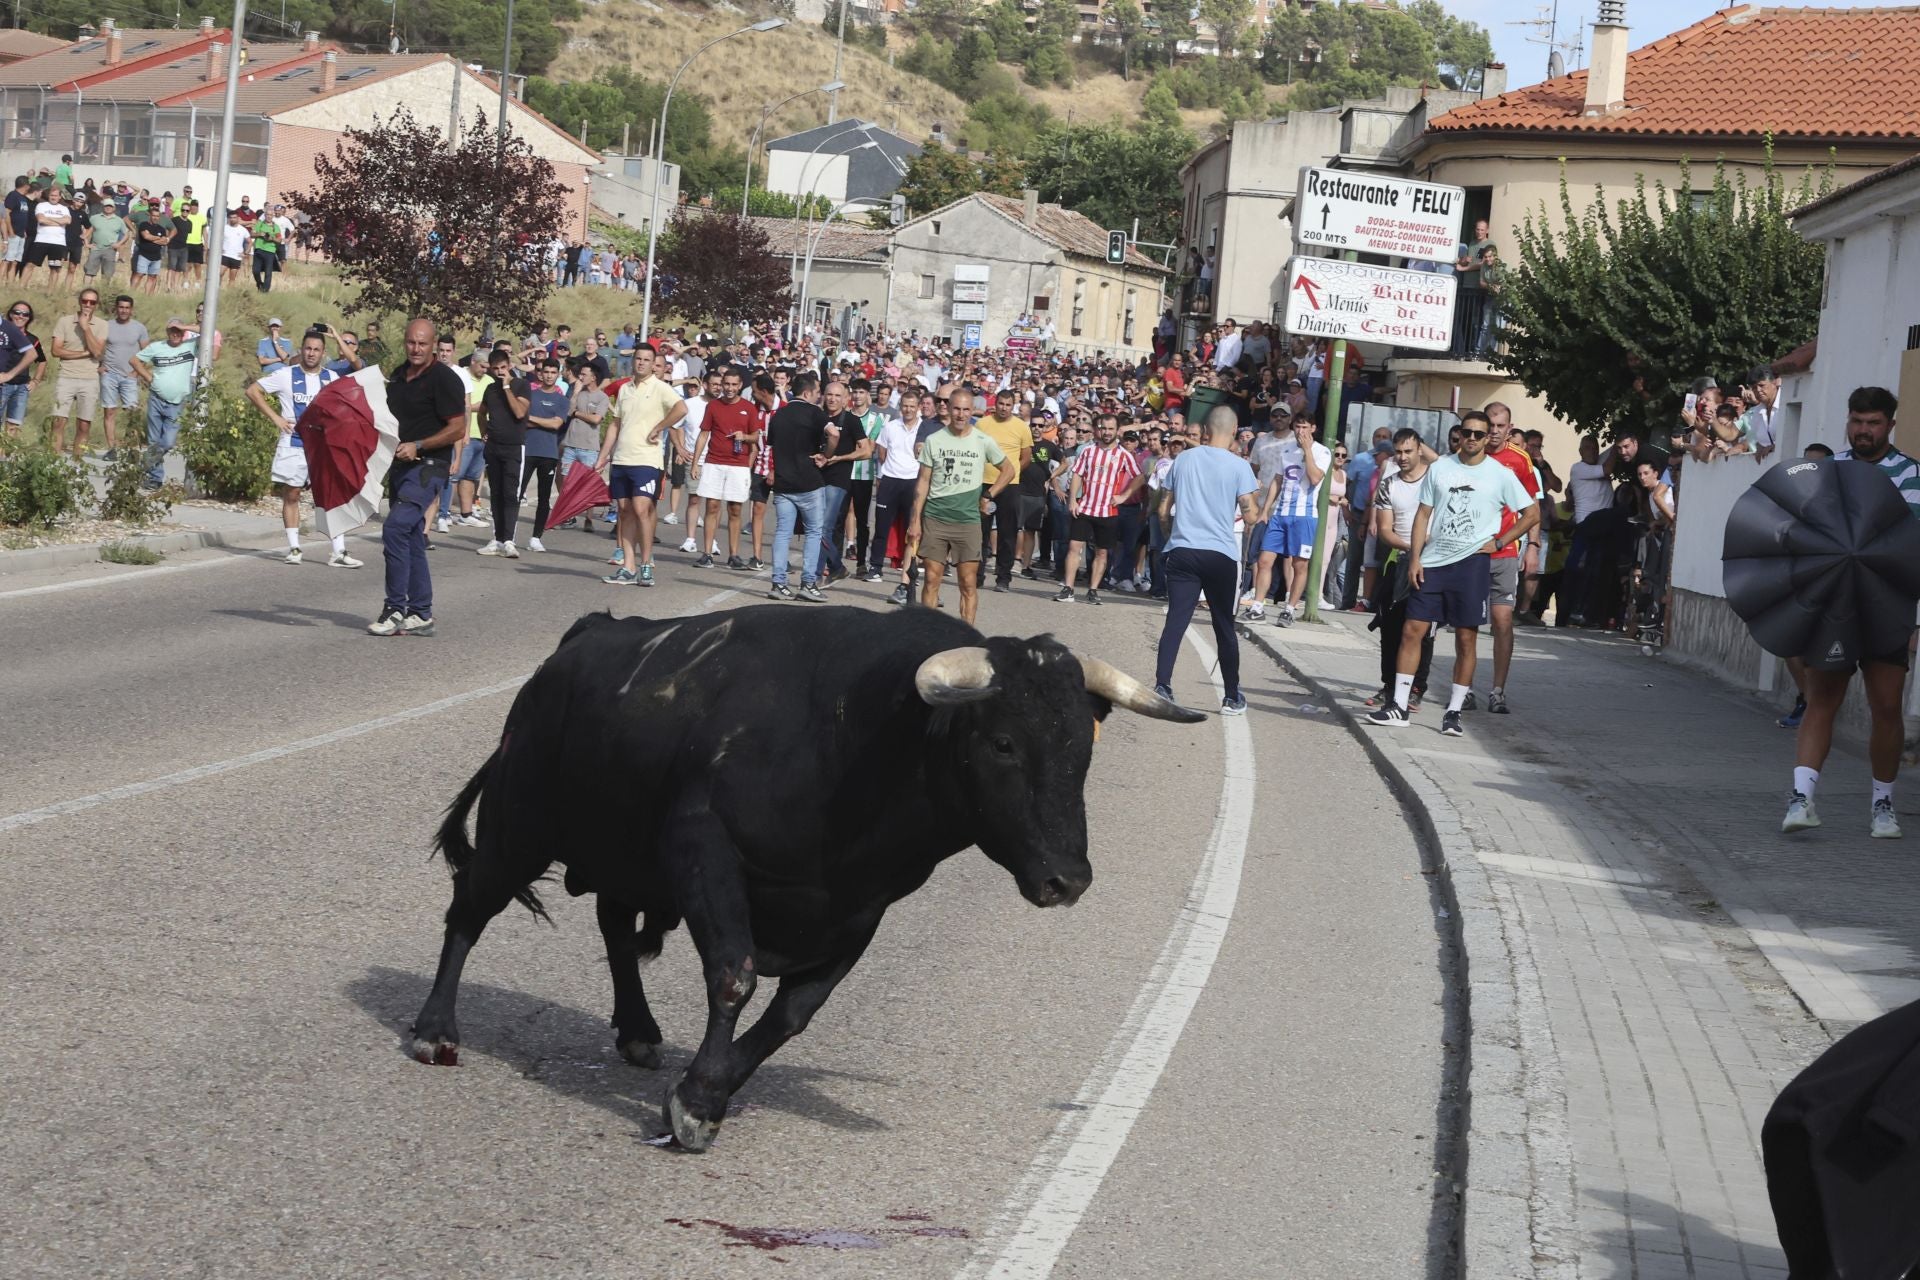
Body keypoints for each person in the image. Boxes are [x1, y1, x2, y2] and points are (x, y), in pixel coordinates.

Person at [1783, 387, 1917, 839]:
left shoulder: (1912, 475)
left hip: (1888, 608)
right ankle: (1801, 799)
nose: (1864, 430)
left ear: (1890, 425)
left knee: (1886, 706)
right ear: (1848, 421)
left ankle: (1883, 805)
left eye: (1873, 423)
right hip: (1834, 608)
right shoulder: (1827, 471)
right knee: (1822, 700)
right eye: (1857, 421)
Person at [1365, 409, 1539, 737]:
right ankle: (1399, 706)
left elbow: (1531, 513)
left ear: (1487, 438)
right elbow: (1423, 515)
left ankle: (1454, 712)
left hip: (1472, 564)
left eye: (1478, 434)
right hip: (1433, 561)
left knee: (1465, 637)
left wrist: (1500, 541)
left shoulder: (1499, 474)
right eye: (1466, 432)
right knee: (1412, 629)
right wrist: (1415, 558)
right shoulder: (1441, 467)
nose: (1471, 438)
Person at [1153, 405, 1259, 714]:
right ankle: (1231, 697)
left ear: (1207, 431)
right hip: (1220, 553)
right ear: (1235, 430)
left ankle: (1163, 685)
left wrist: (1171, 536)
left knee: (1176, 620)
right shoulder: (1240, 466)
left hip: (1183, 549)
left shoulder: (1183, 459)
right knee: (1224, 625)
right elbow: (1250, 515)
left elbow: (1163, 510)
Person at [369, 320, 465, 636]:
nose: (416, 349)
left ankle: (395, 608)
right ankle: (421, 613)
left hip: (429, 466)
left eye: (423, 343)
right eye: (411, 342)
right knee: (410, 535)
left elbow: (458, 428)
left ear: (433, 344)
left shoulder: (444, 379)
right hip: (400, 465)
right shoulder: (399, 376)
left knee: (395, 528)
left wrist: (419, 445)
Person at [246, 327, 363, 567]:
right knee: (292, 494)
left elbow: (359, 372)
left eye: (316, 350)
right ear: (301, 350)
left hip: (323, 447)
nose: (311, 353)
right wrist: (276, 418)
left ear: (323, 353)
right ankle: (294, 548)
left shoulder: (331, 378)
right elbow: (253, 391)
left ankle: (339, 551)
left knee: (331, 497)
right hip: (294, 444)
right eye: (308, 348)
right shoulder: (285, 375)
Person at [907, 386, 1014, 625]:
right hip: (935, 517)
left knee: (967, 583)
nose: (961, 414)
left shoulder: (982, 440)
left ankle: (966, 636)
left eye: (966, 410)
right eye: (956, 408)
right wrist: (915, 522)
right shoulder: (934, 440)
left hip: (968, 521)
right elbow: (923, 482)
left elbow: (1008, 470)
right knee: (931, 579)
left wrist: (988, 495)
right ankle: (928, 634)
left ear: (972, 410)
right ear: (948, 408)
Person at [596, 342, 684, 587]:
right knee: (624, 511)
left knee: (641, 509)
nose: (642, 363)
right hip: (622, 458)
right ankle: (628, 567)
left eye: (647, 359)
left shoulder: (660, 388)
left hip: (647, 460)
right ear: (633, 361)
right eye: (638, 358)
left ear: (653, 364)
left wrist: (659, 427)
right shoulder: (624, 389)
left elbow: (681, 409)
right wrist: (603, 455)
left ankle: (646, 564)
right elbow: (615, 424)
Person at [1364, 429, 1438, 713]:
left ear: (1420, 450)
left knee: (1423, 629)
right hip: (1400, 559)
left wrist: (1422, 550)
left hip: (1432, 562)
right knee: (1391, 627)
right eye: (1398, 452)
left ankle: (1416, 688)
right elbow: (1385, 530)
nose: (1403, 457)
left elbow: (1440, 461)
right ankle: (1389, 686)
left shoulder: (1436, 478)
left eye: (1409, 451)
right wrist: (1411, 547)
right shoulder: (1389, 484)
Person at [1481, 403, 1544, 714]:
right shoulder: (1471, 452)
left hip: (1505, 551)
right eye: (1490, 425)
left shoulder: (1520, 459)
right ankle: (1462, 688)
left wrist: (1532, 545)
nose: (1494, 432)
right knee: (1466, 623)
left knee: (1503, 621)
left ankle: (1497, 691)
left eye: (1500, 426)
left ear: (1509, 427)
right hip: (1470, 552)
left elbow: (1532, 505)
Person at [1247, 414, 1331, 626]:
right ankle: (1257, 606)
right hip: (1281, 513)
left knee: (1299, 565)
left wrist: (1307, 451)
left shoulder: (1322, 451)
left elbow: (1315, 478)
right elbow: (1278, 480)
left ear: (1313, 428)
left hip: (1304, 516)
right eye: (1297, 427)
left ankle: (1290, 609)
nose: (1300, 431)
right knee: (1264, 560)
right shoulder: (1286, 450)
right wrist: (1266, 510)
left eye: (1304, 427)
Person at [1055, 412, 1144, 606]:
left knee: (1102, 553)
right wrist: (1073, 500)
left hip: (1107, 511)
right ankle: (1068, 588)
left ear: (1117, 431)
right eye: (1104, 428)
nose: (1107, 432)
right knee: (1074, 547)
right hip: (1085, 507)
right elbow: (1077, 474)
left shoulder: (1123, 455)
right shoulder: (1088, 451)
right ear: (1098, 429)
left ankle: (1093, 590)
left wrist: (1123, 496)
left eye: (1111, 429)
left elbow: (1139, 476)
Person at [762, 370, 835, 602]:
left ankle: (778, 583)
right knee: (813, 532)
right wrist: (826, 455)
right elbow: (833, 433)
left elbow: (771, 444)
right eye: (817, 392)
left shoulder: (779, 415)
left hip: (784, 482)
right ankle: (808, 583)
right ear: (807, 393)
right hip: (809, 481)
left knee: (783, 532)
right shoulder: (814, 412)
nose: (819, 396)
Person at [688, 365, 756, 569]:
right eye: (726, 384)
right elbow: (703, 434)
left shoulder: (749, 407)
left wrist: (744, 437)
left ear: (740, 385)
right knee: (712, 506)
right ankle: (707, 553)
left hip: (738, 465)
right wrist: (695, 463)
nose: (729, 388)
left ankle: (733, 555)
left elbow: (756, 436)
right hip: (714, 462)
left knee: (735, 509)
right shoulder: (713, 406)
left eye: (734, 384)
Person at [869, 389, 925, 601]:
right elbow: (882, 453)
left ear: (918, 407)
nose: (908, 410)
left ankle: (910, 570)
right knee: (882, 527)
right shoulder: (890, 426)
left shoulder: (924, 428)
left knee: (912, 530)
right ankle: (875, 567)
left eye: (912, 406)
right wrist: (886, 475)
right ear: (900, 406)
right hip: (890, 480)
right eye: (905, 406)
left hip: (913, 482)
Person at [475, 348, 531, 559]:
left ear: (509, 366)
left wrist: (507, 387)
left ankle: (508, 540)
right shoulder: (490, 389)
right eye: (496, 368)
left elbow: (519, 412)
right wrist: (484, 432)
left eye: (503, 368)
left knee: (510, 493)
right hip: (493, 446)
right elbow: (481, 413)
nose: (500, 372)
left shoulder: (521, 385)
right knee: (496, 493)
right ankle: (497, 539)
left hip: (514, 446)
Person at [130, 317, 197, 491]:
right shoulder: (157, 347)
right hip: (156, 399)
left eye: (178, 331)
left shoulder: (190, 345)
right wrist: (148, 377)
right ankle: (155, 478)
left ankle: (145, 463)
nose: (175, 334)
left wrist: (183, 326)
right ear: (167, 332)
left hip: (177, 402)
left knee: (168, 442)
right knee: (154, 440)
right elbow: (134, 360)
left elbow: (209, 332)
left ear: (183, 333)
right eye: (172, 330)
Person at [976, 392, 1034, 591]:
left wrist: (1011, 472)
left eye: (1008, 405)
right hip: (984, 482)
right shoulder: (982, 424)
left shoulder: (1021, 427)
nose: (1004, 408)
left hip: (1010, 486)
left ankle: (1003, 577)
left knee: (1007, 533)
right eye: (1001, 404)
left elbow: (1026, 457)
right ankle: (977, 575)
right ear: (996, 403)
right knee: (980, 532)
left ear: (1013, 406)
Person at [45, 288, 106, 456]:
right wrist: (84, 353)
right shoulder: (64, 321)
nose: (88, 304)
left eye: (92, 302)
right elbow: (56, 351)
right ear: (79, 301)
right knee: (58, 421)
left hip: (89, 378)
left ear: (96, 305)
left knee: (84, 425)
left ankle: (77, 462)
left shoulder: (102, 325)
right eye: (85, 301)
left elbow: (98, 353)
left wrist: (86, 328)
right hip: (66, 376)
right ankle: (53, 460)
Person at [520, 357, 569, 552]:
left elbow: (556, 424)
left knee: (544, 497)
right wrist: (544, 422)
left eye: (553, 372)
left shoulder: (562, 400)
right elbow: (521, 420)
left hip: (549, 454)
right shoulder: (530, 395)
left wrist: (532, 419)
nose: (549, 376)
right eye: (546, 372)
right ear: (540, 374)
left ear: (558, 374)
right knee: (517, 494)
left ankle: (536, 537)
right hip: (527, 450)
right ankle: (507, 535)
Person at [0, 298, 36, 436]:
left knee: (12, 427)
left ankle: (6, 450)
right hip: (6, 385)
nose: (21, 316)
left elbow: (35, 356)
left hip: (16, 384)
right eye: (17, 312)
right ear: (10, 313)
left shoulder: (9, 329)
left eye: (25, 314)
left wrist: (36, 380)